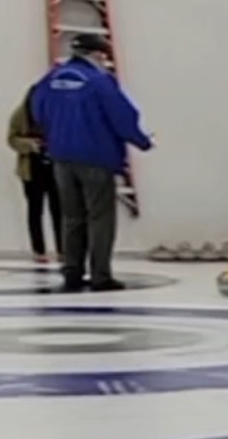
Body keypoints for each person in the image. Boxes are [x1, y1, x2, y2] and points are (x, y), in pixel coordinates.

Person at [29, 33, 152, 293]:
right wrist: (142, 141)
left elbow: (37, 110)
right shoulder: (100, 82)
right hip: (96, 157)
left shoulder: (50, 80)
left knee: (71, 217)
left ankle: (72, 272)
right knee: (100, 217)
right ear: (97, 54)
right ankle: (100, 275)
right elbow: (122, 117)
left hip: (61, 157)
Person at [6, 94, 61, 264]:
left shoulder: (57, 112)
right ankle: (39, 250)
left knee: (59, 209)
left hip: (55, 167)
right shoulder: (19, 114)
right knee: (35, 210)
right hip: (31, 168)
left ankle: (63, 249)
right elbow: (11, 139)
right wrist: (30, 145)